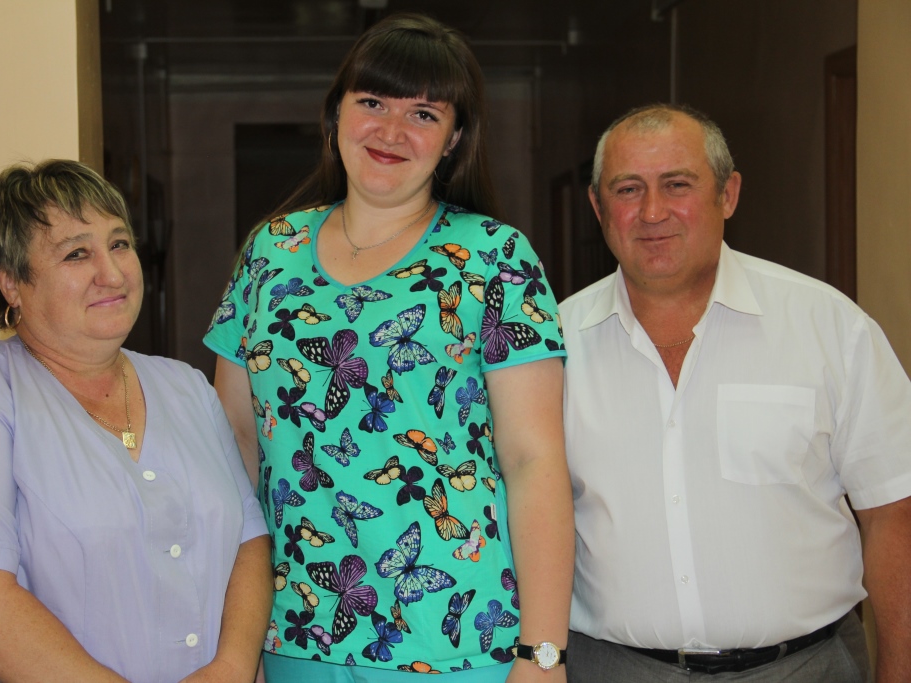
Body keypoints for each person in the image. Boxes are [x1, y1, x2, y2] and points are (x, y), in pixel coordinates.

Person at [204, 13, 573, 682]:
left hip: (457, 640)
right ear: (336, 114)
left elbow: (534, 462)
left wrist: (543, 656)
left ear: (454, 138)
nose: (391, 130)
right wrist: (236, 643)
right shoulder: (269, 251)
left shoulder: (496, 258)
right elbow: (233, 446)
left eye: (423, 114)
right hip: (294, 635)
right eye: (372, 102)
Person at [559, 103, 911, 682]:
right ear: (599, 207)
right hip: (612, 668)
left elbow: (893, 512)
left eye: (677, 184)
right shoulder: (552, 347)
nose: (652, 212)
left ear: (728, 195)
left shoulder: (829, 328)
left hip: (807, 667)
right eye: (628, 189)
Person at [0, 160, 271, 683]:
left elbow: (249, 540)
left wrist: (230, 668)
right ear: (11, 282)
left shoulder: (186, 388)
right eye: (76, 253)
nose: (112, 274)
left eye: (119, 244)